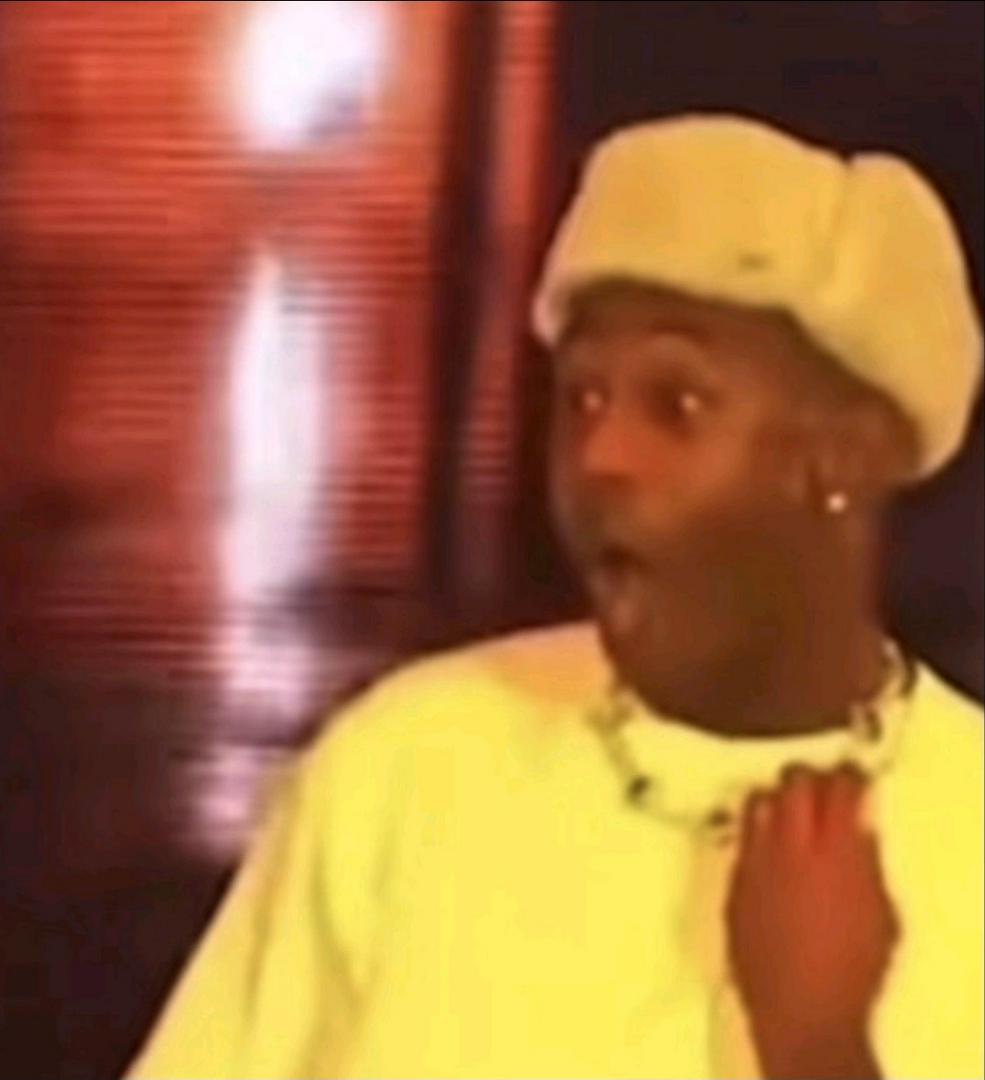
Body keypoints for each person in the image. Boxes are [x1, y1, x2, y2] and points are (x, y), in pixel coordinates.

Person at [126, 115, 984, 1080]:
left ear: (847, 457)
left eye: (677, 404)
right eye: (581, 398)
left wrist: (817, 1048)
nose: (599, 456)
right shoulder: (412, 768)